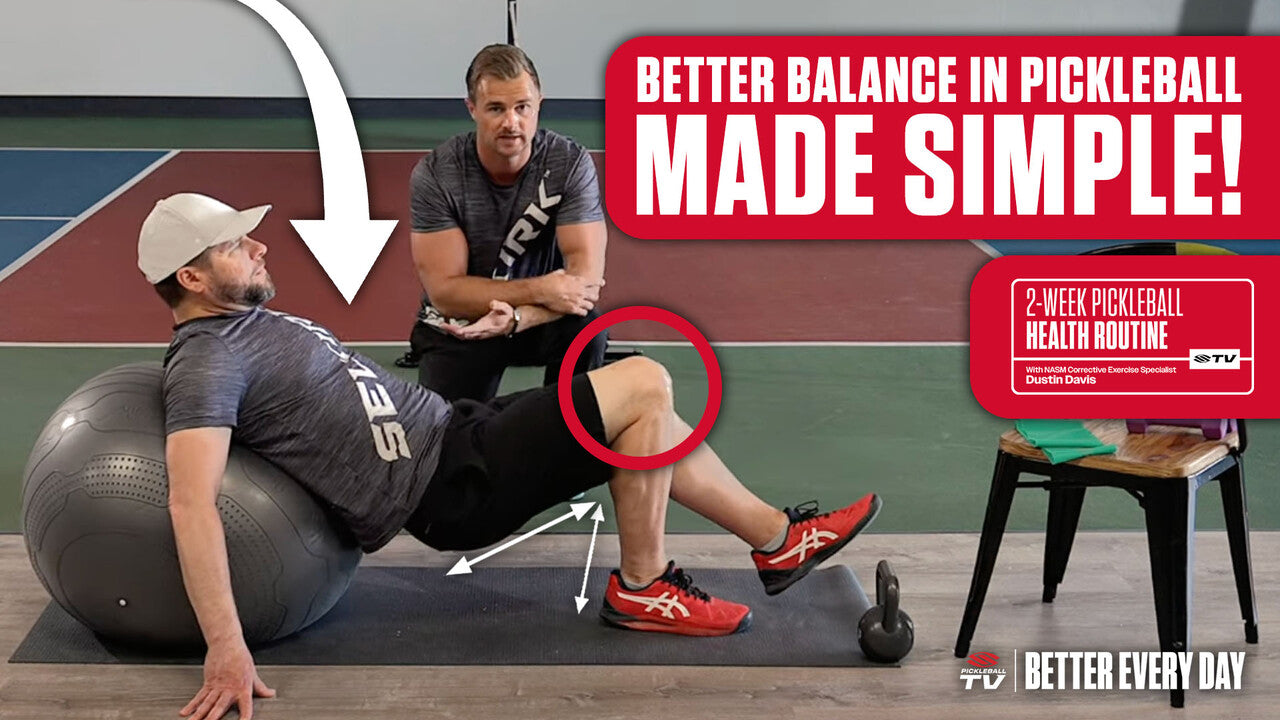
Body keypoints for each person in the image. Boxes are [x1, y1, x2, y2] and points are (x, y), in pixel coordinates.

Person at [139, 193, 881, 720]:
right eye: (236, 245)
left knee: (646, 413)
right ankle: (648, 586)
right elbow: (189, 500)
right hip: (445, 485)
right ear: (194, 280)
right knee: (644, 380)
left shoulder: (241, 327)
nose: (260, 245)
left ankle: (777, 543)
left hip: (458, 429)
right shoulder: (206, 363)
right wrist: (226, 648)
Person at [404, 43, 608, 401]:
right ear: (472, 109)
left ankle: (568, 441)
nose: (511, 122)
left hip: (541, 319)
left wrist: (519, 317)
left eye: (522, 107)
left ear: (539, 104)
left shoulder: (570, 164)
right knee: (449, 441)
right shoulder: (437, 174)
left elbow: (585, 282)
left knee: (588, 328)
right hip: (463, 324)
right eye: (496, 108)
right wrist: (542, 289)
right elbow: (447, 293)